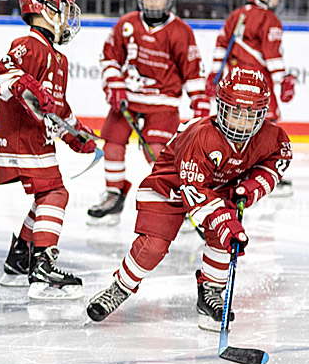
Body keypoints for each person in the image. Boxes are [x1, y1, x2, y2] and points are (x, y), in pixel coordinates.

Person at [87, 67, 292, 329]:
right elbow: (194, 190)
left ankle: (210, 294)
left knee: (222, 239)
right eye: (236, 113)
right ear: (221, 107)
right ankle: (121, 287)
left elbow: (278, 161)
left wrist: (250, 188)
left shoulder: (272, 137)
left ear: (263, 115)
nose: (242, 123)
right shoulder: (201, 137)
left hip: (216, 189)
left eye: (251, 116)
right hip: (170, 185)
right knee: (154, 246)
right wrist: (224, 221)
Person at [0, 0, 97, 299]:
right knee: (55, 194)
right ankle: (42, 266)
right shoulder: (29, 44)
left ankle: (18, 259)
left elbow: (56, 108)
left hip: (38, 138)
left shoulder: (58, 58)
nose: (68, 19)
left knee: (46, 196)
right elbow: (2, 78)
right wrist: (27, 85)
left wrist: (75, 133)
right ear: (47, 10)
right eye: (65, 10)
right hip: (22, 136)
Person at [87, 0, 208, 226]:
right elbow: (109, 57)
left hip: (163, 103)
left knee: (157, 152)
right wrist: (115, 84)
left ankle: (175, 197)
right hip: (128, 100)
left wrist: (200, 104)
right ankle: (114, 193)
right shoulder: (127, 24)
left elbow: (193, 70)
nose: (153, 1)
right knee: (112, 143)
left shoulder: (180, 31)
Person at [206, 0, 296, 196]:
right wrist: (282, 80)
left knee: (235, 124)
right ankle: (263, 172)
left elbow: (221, 46)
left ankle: (232, 170)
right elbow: (272, 54)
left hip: (235, 81)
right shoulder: (269, 19)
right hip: (258, 83)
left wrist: (214, 75)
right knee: (268, 123)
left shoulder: (235, 15)